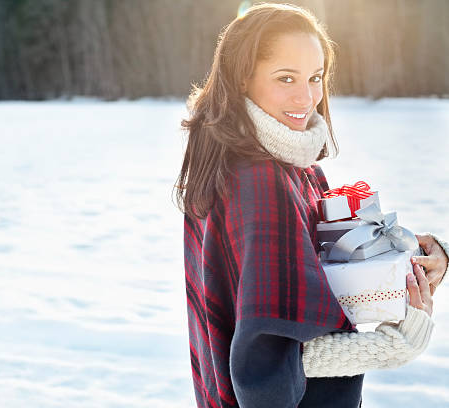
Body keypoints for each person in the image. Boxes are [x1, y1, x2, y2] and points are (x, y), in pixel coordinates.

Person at [174, 3, 449, 407]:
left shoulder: (269, 164)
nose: (307, 97)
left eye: (315, 77)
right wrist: (396, 345)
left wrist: (410, 261)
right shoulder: (260, 179)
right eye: (286, 78)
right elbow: (269, 360)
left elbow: (322, 280)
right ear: (242, 79)